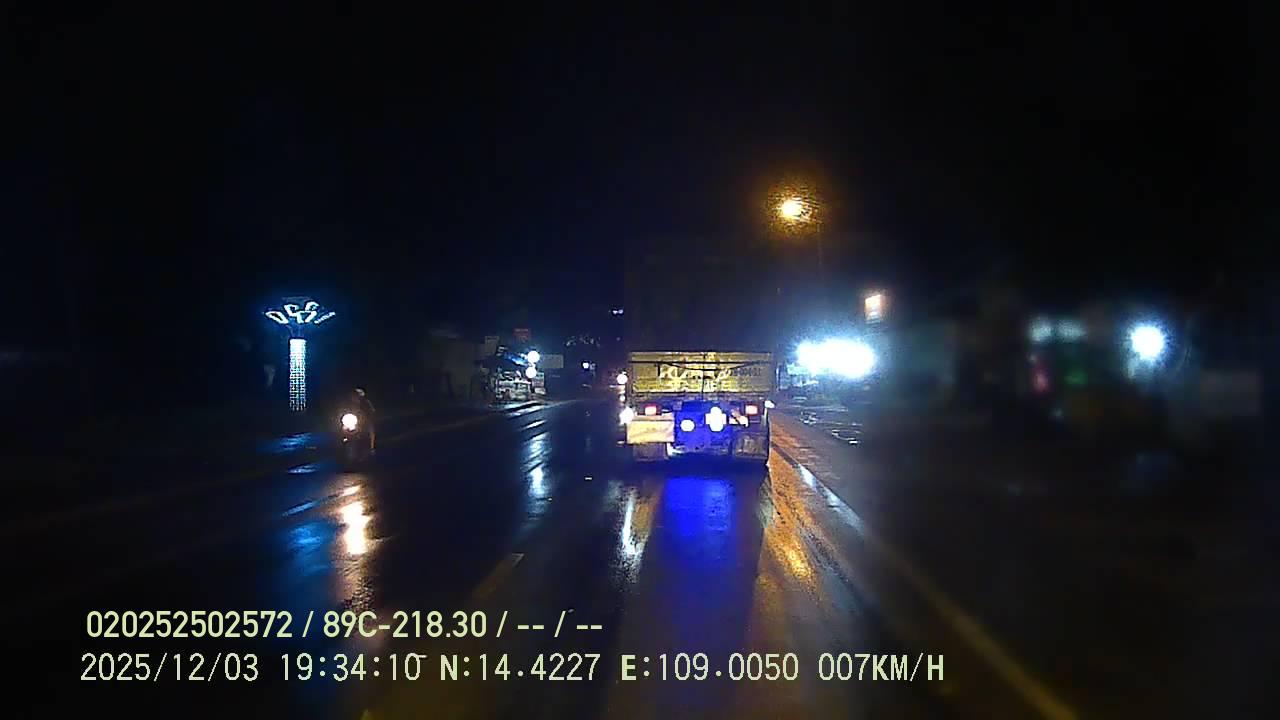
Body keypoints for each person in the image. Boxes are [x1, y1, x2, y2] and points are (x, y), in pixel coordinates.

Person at [347, 387, 377, 452]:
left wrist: (368, 415)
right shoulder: (351, 403)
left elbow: (372, 410)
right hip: (355, 420)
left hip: (366, 419)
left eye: (358, 394)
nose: (355, 396)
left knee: (371, 429)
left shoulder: (366, 402)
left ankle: (372, 447)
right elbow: (347, 410)